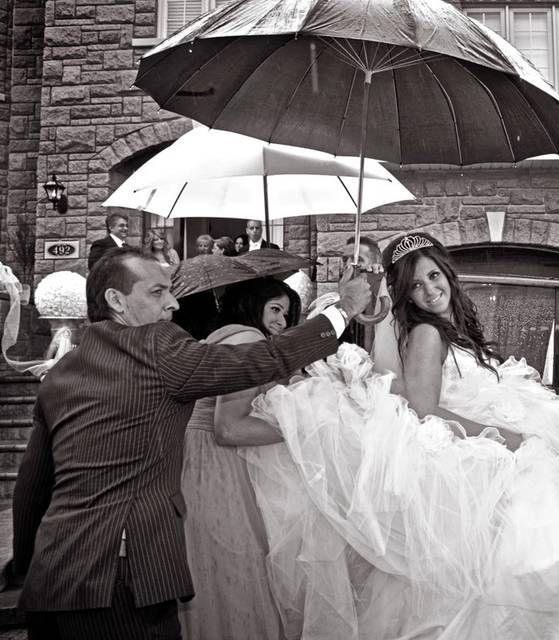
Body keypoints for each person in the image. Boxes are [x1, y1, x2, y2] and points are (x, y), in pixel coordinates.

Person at [241, 233, 559, 639]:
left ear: (449, 275)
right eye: (416, 285)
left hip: (475, 437)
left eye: (434, 276)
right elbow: (424, 407)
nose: (429, 290)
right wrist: (505, 436)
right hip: (460, 448)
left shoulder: (451, 330)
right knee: (536, 489)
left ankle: (553, 613)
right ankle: (558, 616)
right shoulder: (426, 334)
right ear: (405, 294)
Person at [11, 247, 371, 640]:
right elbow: (264, 359)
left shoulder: (63, 370)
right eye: (156, 292)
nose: (173, 302)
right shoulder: (156, 347)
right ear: (116, 301)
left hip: (52, 579)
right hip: (122, 577)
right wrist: (344, 310)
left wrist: (29, 569)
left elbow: (32, 489)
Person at [179, 278, 302, 640]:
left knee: (215, 569)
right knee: (237, 566)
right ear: (252, 305)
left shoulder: (223, 338)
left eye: (287, 313)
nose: (282, 321)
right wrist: (307, 427)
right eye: (275, 309)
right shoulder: (247, 340)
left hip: (202, 459)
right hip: (218, 465)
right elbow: (228, 429)